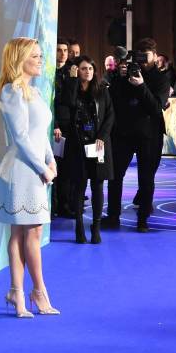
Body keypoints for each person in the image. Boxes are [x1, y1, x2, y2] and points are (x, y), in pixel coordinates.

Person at [0, 37, 59, 318]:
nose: (41, 60)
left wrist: (51, 159)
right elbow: (19, 137)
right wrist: (42, 168)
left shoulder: (36, 93)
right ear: (20, 59)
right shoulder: (11, 91)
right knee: (22, 232)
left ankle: (21, 293)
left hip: (37, 168)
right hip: (21, 170)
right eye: (36, 56)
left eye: (41, 56)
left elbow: (40, 134)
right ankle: (30, 293)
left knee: (32, 232)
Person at [102, 38, 169, 232]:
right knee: (115, 177)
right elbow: (112, 100)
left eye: (145, 56)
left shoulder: (161, 78)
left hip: (149, 135)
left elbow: (156, 107)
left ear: (155, 56)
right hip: (122, 133)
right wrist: (118, 78)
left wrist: (141, 85)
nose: (141, 61)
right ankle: (113, 216)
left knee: (146, 178)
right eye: (138, 56)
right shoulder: (124, 73)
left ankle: (142, 219)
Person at [62, 56, 115, 243]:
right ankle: (78, 226)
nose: (88, 72)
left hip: (98, 144)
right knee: (79, 185)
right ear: (78, 70)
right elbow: (67, 105)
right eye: (84, 69)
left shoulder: (102, 90)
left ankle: (96, 226)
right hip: (78, 144)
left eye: (91, 69)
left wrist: (102, 137)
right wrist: (72, 81)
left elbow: (110, 115)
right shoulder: (72, 89)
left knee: (98, 185)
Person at [52, 38, 75, 219]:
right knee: (52, 168)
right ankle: (52, 206)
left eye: (65, 50)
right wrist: (56, 125)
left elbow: (71, 100)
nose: (63, 54)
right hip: (52, 125)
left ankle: (65, 205)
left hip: (69, 127)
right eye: (59, 50)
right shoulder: (46, 72)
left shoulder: (71, 72)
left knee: (67, 170)